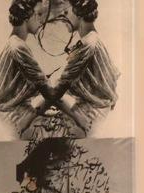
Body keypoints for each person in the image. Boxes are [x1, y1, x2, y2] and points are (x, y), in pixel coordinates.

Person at [37, 0, 120, 135]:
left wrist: (34, 112)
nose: (62, 18)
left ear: (78, 14)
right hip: (94, 113)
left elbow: (56, 93)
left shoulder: (86, 45)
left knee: (40, 132)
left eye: (66, 13)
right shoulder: (94, 40)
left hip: (89, 117)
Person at [0, 0, 48, 137]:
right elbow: (48, 91)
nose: (42, 20)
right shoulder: (19, 47)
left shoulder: (11, 43)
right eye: (39, 14)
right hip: (18, 121)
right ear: (27, 16)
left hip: (10, 118)